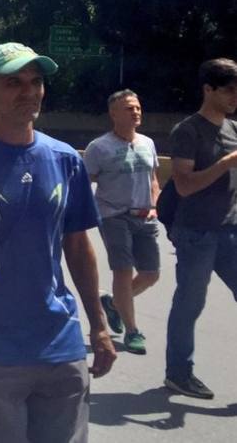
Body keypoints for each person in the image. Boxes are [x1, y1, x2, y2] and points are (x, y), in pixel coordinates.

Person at [0, 43, 115, 443]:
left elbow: (78, 247)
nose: (29, 91)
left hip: (61, 347)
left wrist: (98, 326)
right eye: (15, 82)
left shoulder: (65, 159)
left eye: (36, 81)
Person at [164, 58, 237, 400]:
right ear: (208, 89)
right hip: (196, 233)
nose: (235, 97)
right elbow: (184, 186)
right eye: (229, 90)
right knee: (190, 304)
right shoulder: (188, 131)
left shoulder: (233, 130)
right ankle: (178, 374)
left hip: (230, 231)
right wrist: (225, 163)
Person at [82, 89, 160, 356]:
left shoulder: (147, 143)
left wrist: (154, 205)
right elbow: (83, 184)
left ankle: (114, 304)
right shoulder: (99, 147)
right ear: (113, 113)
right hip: (113, 217)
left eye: (137, 107)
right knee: (123, 272)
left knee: (151, 274)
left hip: (144, 216)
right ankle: (132, 331)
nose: (135, 112)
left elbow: (153, 179)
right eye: (128, 108)